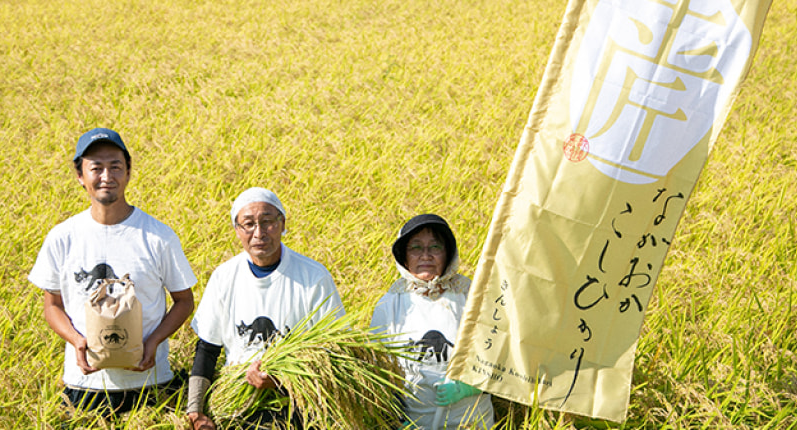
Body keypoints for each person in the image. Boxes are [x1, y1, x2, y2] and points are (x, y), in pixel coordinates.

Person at [29, 128, 197, 417]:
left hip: (149, 383)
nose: (106, 176)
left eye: (115, 166)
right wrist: (76, 340)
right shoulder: (62, 237)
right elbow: (52, 306)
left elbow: (184, 301)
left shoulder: (158, 236)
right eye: (96, 168)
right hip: (85, 385)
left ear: (128, 172)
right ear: (81, 176)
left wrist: (153, 342)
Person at [185, 187, 346, 430]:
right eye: (248, 224)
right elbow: (207, 349)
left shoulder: (313, 277)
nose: (259, 233)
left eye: (268, 222)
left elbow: (335, 351)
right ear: (237, 230)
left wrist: (282, 380)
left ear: (282, 224)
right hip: (237, 408)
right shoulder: (224, 277)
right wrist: (195, 411)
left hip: (298, 408)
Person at [371, 214, 494, 429]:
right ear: (404, 258)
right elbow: (376, 370)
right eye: (416, 248)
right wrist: (395, 419)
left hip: (470, 420)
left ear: (448, 254)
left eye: (435, 247)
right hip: (416, 421)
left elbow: (498, 354)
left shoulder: (472, 296)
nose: (425, 255)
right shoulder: (391, 304)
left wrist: (468, 387)